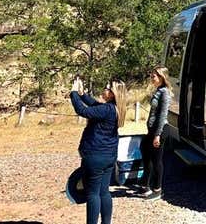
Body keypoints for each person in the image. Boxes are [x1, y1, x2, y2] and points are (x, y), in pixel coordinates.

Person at [70, 76, 127, 224]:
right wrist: (82, 95)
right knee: (104, 192)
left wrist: (73, 93)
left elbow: (82, 110)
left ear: (113, 93)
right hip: (109, 156)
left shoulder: (106, 109)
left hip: (95, 156)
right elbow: (95, 105)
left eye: (107, 88)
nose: (104, 89)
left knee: (93, 194)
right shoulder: (115, 108)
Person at [139, 66, 171, 201]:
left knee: (157, 160)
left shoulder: (164, 92)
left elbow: (162, 115)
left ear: (161, 77)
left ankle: (157, 190)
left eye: (154, 76)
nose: (152, 78)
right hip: (152, 130)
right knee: (145, 151)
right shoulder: (158, 90)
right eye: (151, 76)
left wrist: (157, 135)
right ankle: (146, 184)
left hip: (160, 130)